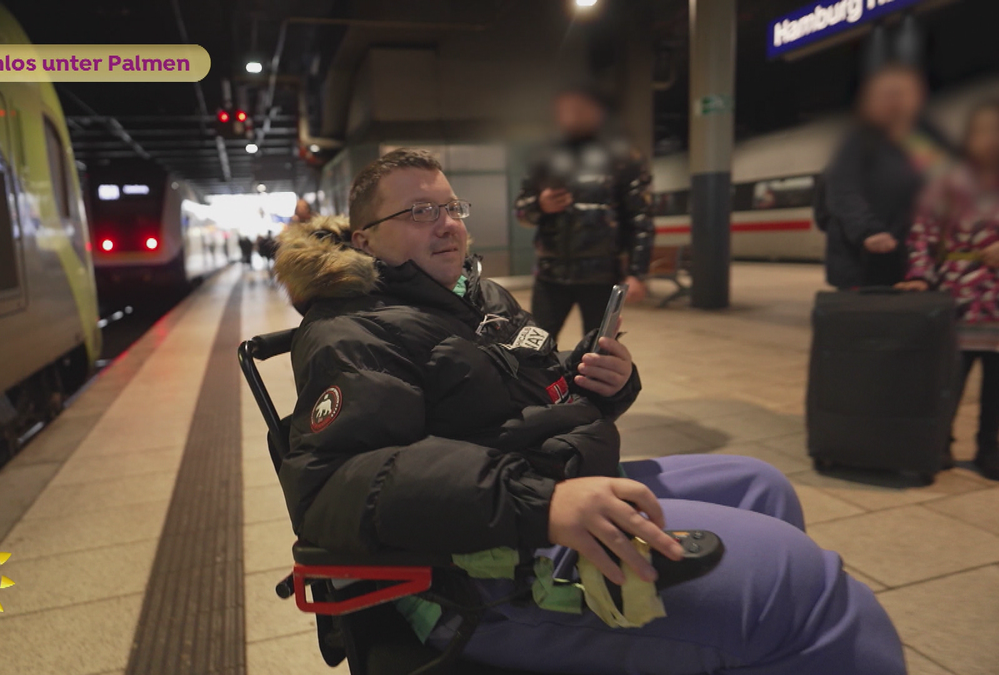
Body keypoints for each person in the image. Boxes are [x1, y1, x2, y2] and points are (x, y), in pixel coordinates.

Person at [274, 148, 905, 674]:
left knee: (761, 485)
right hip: (481, 568)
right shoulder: (352, 330)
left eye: (450, 208)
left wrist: (603, 383)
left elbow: (544, 387)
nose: (446, 224)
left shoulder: (477, 294)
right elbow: (333, 483)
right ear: (365, 239)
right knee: (806, 590)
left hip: (549, 480)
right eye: (419, 212)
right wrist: (540, 504)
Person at [896, 100, 999, 482]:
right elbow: (923, 235)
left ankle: (989, 447)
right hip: (957, 297)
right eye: (982, 130)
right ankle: (941, 442)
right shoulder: (947, 183)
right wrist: (920, 276)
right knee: (950, 376)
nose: (991, 140)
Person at [515, 87, 654, 337]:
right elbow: (521, 213)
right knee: (535, 345)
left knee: (598, 350)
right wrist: (540, 205)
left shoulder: (623, 156)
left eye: (580, 109)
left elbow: (640, 219)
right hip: (550, 275)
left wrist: (637, 273)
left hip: (601, 276)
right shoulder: (543, 158)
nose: (571, 116)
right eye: (565, 110)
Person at [822, 62, 949, 289]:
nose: (895, 102)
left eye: (903, 94)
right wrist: (868, 231)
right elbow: (843, 190)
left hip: (910, 260)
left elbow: (946, 182)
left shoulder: (921, 138)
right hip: (862, 260)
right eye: (887, 95)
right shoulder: (858, 142)